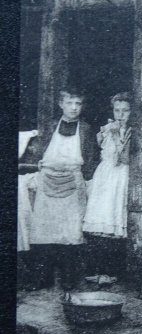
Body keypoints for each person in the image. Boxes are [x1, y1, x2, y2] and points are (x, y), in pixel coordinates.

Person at [29, 88, 97, 291]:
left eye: (78, 104)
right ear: (61, 104)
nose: (74, 108)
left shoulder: (85, 129)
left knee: (71, 231)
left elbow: (91, 159)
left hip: (73, 182)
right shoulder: (50, 127)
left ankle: (69, 278)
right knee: (44, 230)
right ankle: (44, 277)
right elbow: (39, 153)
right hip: (47, 180)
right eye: (70, 103)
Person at [82, 92, 133, 282]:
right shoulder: (106, 130)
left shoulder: (131, 132)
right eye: (117, 110)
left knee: (115, 221)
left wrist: (116, 134)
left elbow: (124, 159)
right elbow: (100, 153)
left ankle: (112, 273)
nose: (120, 115)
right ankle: (96, 270)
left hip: (121, 176)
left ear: (132, 112)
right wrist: (107, 134)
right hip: (104, 176)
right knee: (100, 220)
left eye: (125, 111)